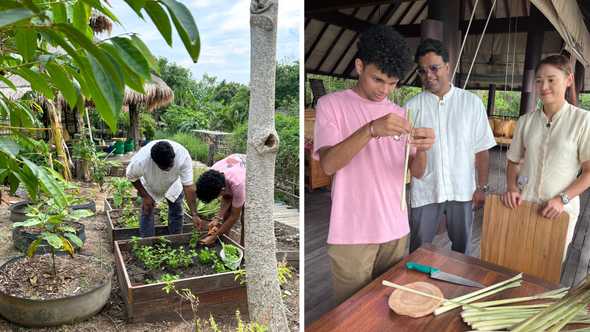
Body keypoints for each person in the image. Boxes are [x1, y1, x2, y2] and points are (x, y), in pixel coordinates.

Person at [313, 25, 435, 304]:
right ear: (359, 66)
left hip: (396, 230)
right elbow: (329, 164)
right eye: (378, 79)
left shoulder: (401, 113)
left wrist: (425, 149)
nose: (385, 90)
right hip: (351, 233)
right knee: (351, 312)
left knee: (390, 307)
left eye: (392, 83)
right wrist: (370, 129)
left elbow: (416, 171)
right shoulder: (331, 105)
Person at [405, 38, 496, 254]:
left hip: (462, 190)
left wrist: (481, 187)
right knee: (419, 249)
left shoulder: (471, 103)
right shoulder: (411, 108)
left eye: (434, 68)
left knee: (462, 251)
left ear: (447, 67)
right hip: (426, 191)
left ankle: (457, 288)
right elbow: (408, 158)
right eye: (422, 70)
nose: (429, 75)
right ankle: (417, 287)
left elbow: (482, 150)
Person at [501, 54, 590, 257]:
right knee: (516, 261)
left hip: (559, 212)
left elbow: (588, 172)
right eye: (539, 81)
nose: (544, 86)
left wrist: (562, 199)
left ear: (568, 80)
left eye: (551, 80)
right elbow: (513, 161)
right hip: (524, 206)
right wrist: (512, 188)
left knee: (546, 273)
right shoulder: (526, 121)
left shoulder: (583, 120)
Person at [126, 140, 202, 237]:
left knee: (177, 209)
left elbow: (188, 186)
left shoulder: (183, 157)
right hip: (151, 183)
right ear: (154, 161)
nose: (168, 169)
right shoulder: (141, 161)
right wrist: (145, 196)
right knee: (147, 210)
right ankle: (147, 243)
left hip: (173, 183)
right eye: (164, 167)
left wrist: (194, 214)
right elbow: (131, 176)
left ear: (173, 157)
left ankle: (175, 240)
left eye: (171, 165)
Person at [196, 154, 246, 246]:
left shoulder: (238, 184)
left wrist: (212, 237)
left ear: (221, 189)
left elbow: (234, 216)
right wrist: (217, 218)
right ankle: (223, 243)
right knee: (226, 215)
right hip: (235, 169)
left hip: (252, 176)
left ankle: (244, 251)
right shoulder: (213, 173)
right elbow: (227, 196)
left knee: (246, 220)